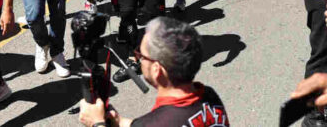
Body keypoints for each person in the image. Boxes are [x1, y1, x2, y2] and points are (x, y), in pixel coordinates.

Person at [79, 17, 229, 127]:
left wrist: (97, 124)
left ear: (157, 70)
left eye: (141, 55)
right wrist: (119, 122)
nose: (138, 58)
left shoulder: (157, 122)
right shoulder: (209, 96)